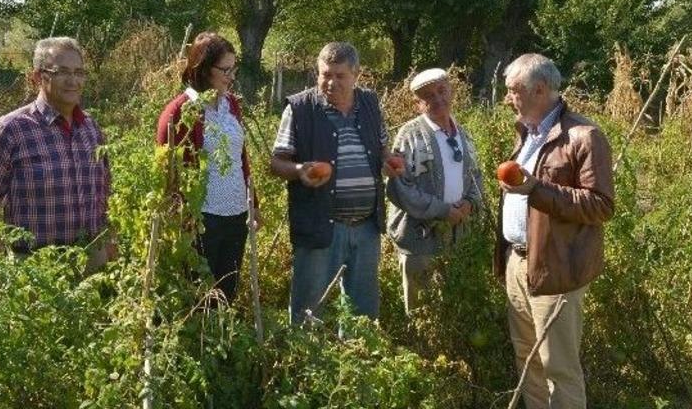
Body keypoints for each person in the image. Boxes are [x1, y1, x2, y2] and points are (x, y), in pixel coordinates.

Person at [496, 53, 614, 408]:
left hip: (557, 267)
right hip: (518, 263)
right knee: (528, 361)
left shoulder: (584, 136)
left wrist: (536, 189)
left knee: (558, 367)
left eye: (514, 90)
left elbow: (600, 205)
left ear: (539, 89)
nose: (508, 98)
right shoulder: (529, 133)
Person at [270, 41, 403, 324]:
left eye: (339, 75)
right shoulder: (300, 108)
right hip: (320, 224)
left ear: (356, 74)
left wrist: (387, 162)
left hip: (366, 227)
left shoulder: (369, 103)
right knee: (309, 309)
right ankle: (305, 364)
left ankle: (357, 363)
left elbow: (381, 150)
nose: (330, 82)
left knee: (362, 313)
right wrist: (298, 170)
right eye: (324, 74)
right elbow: (276, 162)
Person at [0, 37, 115, 271]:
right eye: (62, 72)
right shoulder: (11, 130)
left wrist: (109, 247)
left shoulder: (90, 128)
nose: (73, 81)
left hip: (91, 259)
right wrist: (0, 271)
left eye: (79, 72)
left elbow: (106, 191)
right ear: (37, 76)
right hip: (35, 267)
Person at [156, 31, 260, 304]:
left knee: (228, 290)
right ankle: (201, 345)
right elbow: (170, 174)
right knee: (199, 295)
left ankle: (224, 342)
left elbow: (241, 156)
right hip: (202, 219)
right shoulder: (180, 112)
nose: (231, 76)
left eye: (233, 69)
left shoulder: (231, 105)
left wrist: (254, 203)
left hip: (236, 213)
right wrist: (182, 218)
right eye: (224, 69)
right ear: (202, 69)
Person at [386, 68, 484, 314]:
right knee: (421, 312)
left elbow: (475, 176)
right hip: (419, 239)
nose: (438, 99)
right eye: (428, 96)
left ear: (451, 91)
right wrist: (442, 210)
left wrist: (470, 204)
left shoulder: (464, 134)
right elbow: (399, 188)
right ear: (418, 103)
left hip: (457, 236)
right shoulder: (409, 135)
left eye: (441, 91)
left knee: (454, 309)